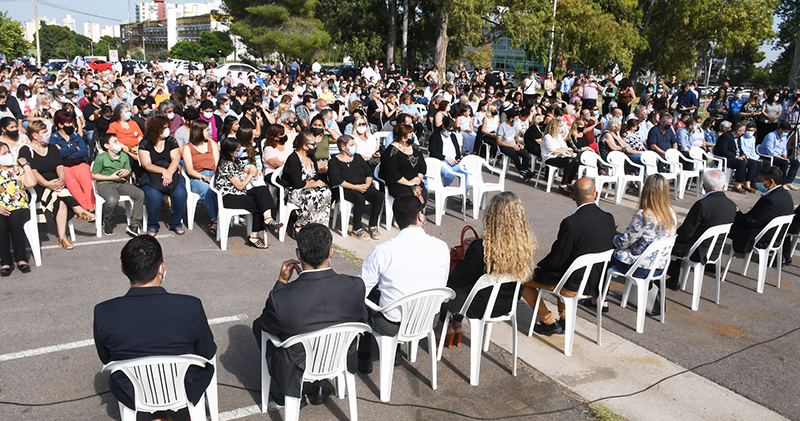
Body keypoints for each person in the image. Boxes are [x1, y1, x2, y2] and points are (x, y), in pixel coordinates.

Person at [93, 235, 217, 412]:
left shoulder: (103, 312)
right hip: (185, 387)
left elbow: (106, 358)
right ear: (162, 268)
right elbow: (207, 351)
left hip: (133, 391)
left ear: (123, 270)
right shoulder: (190, 306)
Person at [252, 223, 368, 406]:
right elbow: (363, 320)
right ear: (331, 252)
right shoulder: (356, 286)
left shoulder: (282, 297)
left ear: (299, 255)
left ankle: (295, 389)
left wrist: (282, 282)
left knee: (259, 325)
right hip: (339, 357)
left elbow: (267, 323)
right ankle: (321, 383)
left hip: (299, 367)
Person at [357, 195, 450, 373]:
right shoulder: (441, 246)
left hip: (392, 323)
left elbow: (361, 289)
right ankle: (396, 352)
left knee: (369, 298)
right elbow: (442, 283)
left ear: (397, 220)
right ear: (420, 216)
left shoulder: (383, 251)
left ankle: (364, 356)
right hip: (428, 318)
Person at [522, 178, 616, 334]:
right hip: (594, 283)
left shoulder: (571, 223)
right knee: (565, 269)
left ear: (572, 196)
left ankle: (548, 321)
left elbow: (556, 260)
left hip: (573, 285)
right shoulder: (608, 218)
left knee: (522, 280)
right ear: (596, 195)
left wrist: (537, 268)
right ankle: (564, 318)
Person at [442, 192, 535, 346]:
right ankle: (456, 324)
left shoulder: (481, 248)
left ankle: (448, 326)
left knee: (449, 285)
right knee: (477, 279)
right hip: (506, 305)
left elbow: (457, 280)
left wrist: (467, 253)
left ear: (492, 218)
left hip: (479, 307)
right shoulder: (525, 247)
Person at [20, 121, 96, 250]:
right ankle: (78, 209)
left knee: (60, 200)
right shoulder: (26, 150)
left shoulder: (52, 148)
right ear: (35, 135)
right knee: (58, 195)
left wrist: (62, 178)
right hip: (38, 185)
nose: (48, 135)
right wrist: (46, 184)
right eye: (44, 132)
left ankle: (62, 237)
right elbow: (33, 171)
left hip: (56, 184)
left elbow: (59, 166)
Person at [609, 174, 677, 314]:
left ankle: (599, 297)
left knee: (608, 251)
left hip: (641, 267)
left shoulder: (644, 214)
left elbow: (624, 243)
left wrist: (611, 235)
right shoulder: (671, 212)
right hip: (660, 266)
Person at [664, 170, 737, 290]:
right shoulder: (731, 205)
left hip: (698, 250)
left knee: (673, 242)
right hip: (715, 249)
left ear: (703, 187)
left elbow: (686, 232)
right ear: (724, 186)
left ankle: (673, 278)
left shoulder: (702, 204)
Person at [215, 134, 282, 249]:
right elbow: (240, 186)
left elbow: (247, 170)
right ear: (231, 152)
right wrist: (250, 175)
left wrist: (252, 169)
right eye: (237, 150)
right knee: (259, 203)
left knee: (261, 190)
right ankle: (254, 235)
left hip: (240, 193)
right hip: (230, 196)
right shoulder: (226, 165)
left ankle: (268, 218)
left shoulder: (235, 160)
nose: (240, 151)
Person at [138, 115, 187, 236]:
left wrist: (169, 172)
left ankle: (176, 223)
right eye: (164, 127)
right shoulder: (145, 143)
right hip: (152, 175)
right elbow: (146, 164)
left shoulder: (171, 141)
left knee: (180, 193)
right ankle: (153, 225)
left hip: (171, 173)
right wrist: (163, 171)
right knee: (154, 196)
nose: (167, 130)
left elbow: (175, 159)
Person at [328, 135, 384, 239]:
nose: (355, 146)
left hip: (363, 186)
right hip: (347, 189)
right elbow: (338, 181)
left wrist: (367, 185)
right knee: (359, 198)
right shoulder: (334, 162)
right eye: (352, 144)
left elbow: (368, 173)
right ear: (343, 147)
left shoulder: (358, 158)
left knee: (378, 195)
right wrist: (355, 187)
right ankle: (356, 227)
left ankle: (372, 225)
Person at [729, 166, 795, 254]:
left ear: (771, 182)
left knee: (726, 223)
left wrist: (737, 212)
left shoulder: (770, 199)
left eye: (760, 181)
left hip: (762, 238)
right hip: (777, 236)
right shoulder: (786, 195)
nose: (757, 184)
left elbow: (750, 222)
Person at [91, 134, 145, 236]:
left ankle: (134, 224)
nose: (118, 144)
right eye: (115, 142)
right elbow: (94, 175)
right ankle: (108, 221)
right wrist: (110, 177)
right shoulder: (101, 158)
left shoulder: (124, 156)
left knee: (140, 194)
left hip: (121, 183)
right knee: (112, 200)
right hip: (105, 184)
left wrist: (126, 172)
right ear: (107, 145)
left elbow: (129, 171)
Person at [281, 131, 332, 232]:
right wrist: (314, 184)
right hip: (293, 191)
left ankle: (320, 226)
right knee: (312, 195)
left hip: (309, 187)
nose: (315, 146)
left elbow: (316, 175)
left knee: (326, 192)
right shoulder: (293, 159)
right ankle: (301, 224)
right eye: (313, 144)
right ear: (304, 146)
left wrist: (315, 184)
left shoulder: (311, 157)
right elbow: (297, 183)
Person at [0, 142, 36, 276]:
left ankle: (21, 258)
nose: (7, 155)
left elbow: (31, 183)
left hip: (19, 206)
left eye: (8, 152)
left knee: (15, 221)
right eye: (3, 154)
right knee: (1, 223)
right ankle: (5, 261)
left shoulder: (17, 170)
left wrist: (25, 165)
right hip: (1, 208)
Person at [50, 110, 95, 212]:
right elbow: (57, 154)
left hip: (79, 163)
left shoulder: (75, 135)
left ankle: (91, 206)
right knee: (73, 185)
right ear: (60, 125)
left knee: (87, 183)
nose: (71, 125)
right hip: (64, 166)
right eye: (68, 123)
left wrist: (65, 152)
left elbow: (84, 151)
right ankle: (84, 208)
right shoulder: (54, 138)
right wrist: (74, 149)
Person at [181, 120, 219, 234]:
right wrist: (204, 177)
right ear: (199, 131)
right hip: (197, 177)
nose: (209, 132)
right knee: (207, 190)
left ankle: (224, 216)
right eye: (207, 130)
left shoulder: (211, 144)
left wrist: (216, 176)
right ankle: (215, 219)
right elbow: (190, 170)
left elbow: (217, 164)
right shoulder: (188, 147)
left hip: (213, 174)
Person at [713, 121, 755, 193]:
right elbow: (723, 151)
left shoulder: (738, 138)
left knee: (754, 163)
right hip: (726, 158)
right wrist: (736, 156)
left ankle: (747, 183)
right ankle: (737, 185)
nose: (743, 133)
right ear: (738, 131)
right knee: (741, 163)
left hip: (736, 157)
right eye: (743, 131)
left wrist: (742, 155)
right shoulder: (726, 137)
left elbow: (739, 149)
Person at [541, 118, 580, 194]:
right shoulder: (547, 137)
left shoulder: (558, 136)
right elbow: (554, 151)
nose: (560, 128)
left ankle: (569, 182)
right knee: (569, 161)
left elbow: (564, 146)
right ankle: (563, 185)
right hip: (549, 158)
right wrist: (565, 149)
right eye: (559, 126)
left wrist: (569, 150)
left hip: (560, 156)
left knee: (576, 160)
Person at [428, 117, 467, 186]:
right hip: (441, 162)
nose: (449, 132)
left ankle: (464, 193)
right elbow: (433, 152)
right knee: (449, 173)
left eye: (451, 130)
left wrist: (458, 158)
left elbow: (457, 149)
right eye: (448, 130)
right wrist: (445, 158)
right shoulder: (435, 136)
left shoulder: (453, 136)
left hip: (454, 162)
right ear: (443, 126)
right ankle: (445, 188)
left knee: (465, 171)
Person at [496, 110, 534, 180]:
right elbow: (499, 141)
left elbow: (516, 138)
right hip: (505, 146)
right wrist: (513, 146)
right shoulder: (502, 126)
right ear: (511, 119)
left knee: (525, 154)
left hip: (514, 145)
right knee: (514, 155)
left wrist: (518, 144)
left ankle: (525, 171)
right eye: (516, 119)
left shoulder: (515, 126)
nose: (517, 120)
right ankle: (522, 171)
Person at [758, 122, 799, 187]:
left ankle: (789, 181)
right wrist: (783, 159)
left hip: (779, 157)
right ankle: (782, 182)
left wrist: (785, 157)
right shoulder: (770, 136)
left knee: (796, 163)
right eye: (785, 131)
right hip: (769, 157)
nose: (786, 134)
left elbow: (784, 150)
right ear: (780, 129)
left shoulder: (784, 138)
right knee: (784, 163)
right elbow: (770, 152)